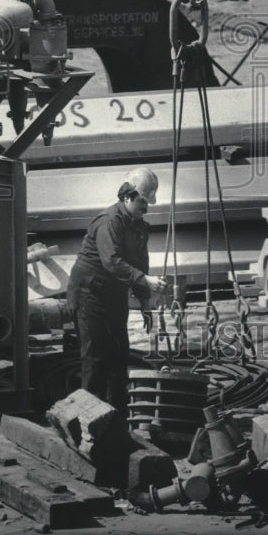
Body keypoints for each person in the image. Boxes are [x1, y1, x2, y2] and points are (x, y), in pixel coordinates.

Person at [66, 167, 166, 417]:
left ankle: (118, 422)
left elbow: (141, 263)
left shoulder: (138, 226)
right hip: (89, 295)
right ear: (126, 197)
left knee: (119, 359)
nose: (146, 206)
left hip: (112, 294)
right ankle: (88, 423)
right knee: (96, 360)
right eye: (142, 201)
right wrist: (145, 280)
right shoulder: (110, 222)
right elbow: (112, 261)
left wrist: (145, 302)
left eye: (148, 201)